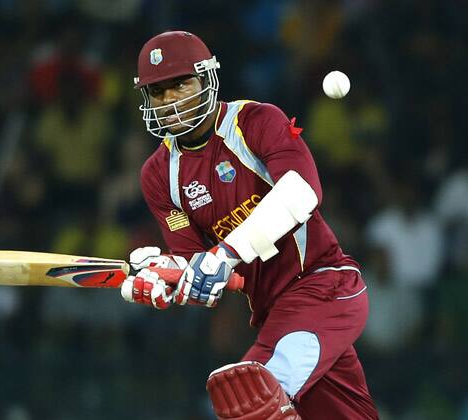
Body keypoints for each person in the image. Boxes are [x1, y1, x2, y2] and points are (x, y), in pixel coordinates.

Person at [120, 30, 379, 420]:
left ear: (206, 78)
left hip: (324, 286)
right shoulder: (159, 174)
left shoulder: (255, 121)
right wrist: (169, 277)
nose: (169, 99)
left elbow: (302, 193)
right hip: (276, 314)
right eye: (158, 92)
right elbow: (205, 271)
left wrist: (224, 253)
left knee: (249, 398)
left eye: (179, 84)